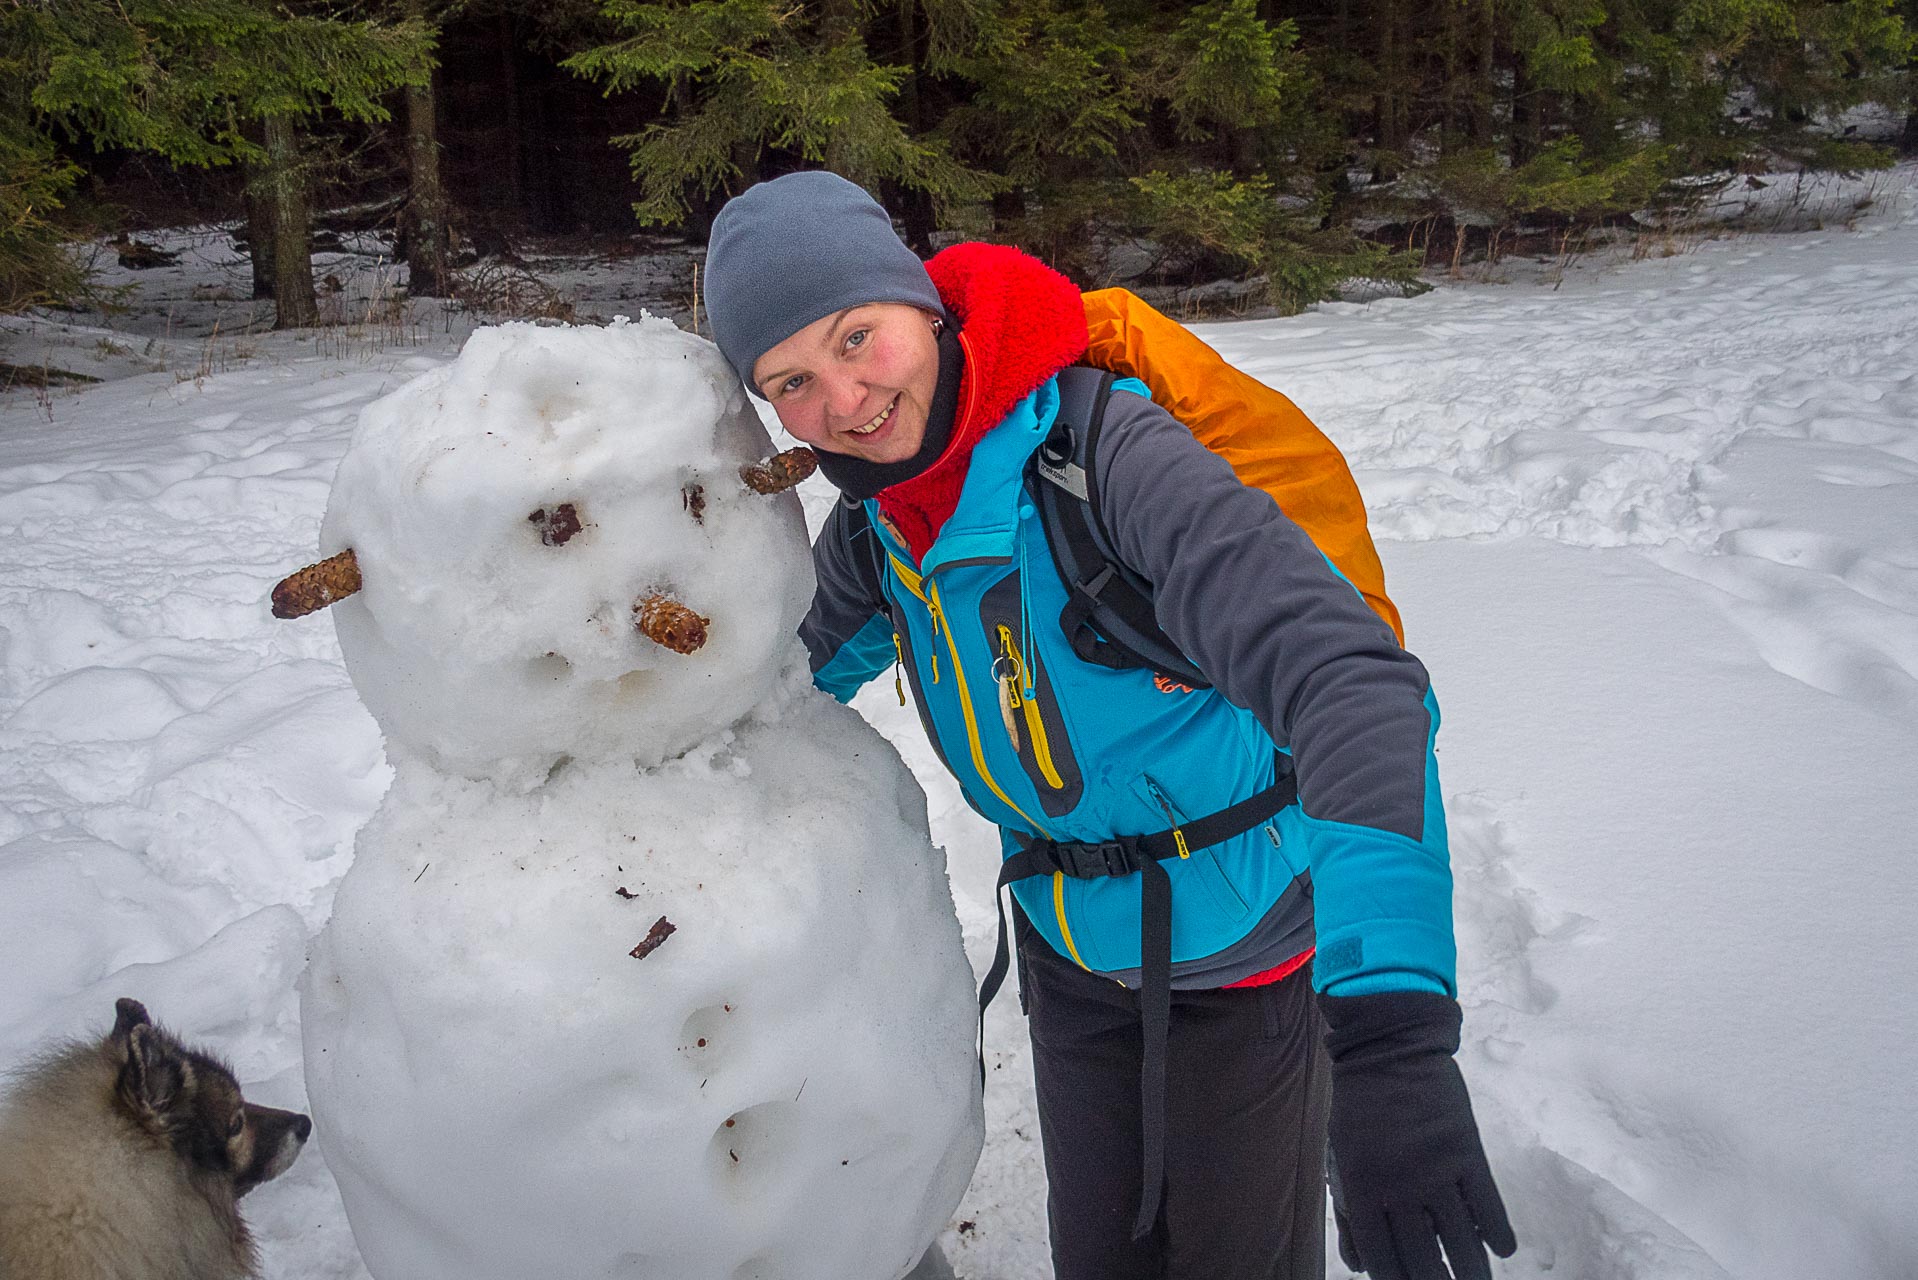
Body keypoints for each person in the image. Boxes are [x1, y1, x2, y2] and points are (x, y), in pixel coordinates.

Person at [702, 170, 1517, 1280]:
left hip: (1245, 957)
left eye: (858, 337)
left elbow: (1353, 683)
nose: (843, 400)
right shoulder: (882, 523)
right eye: (790, 379)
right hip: (1069, 952)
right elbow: (762, 689)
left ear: (921, 305)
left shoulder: (1109, 464)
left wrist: (1392, 1037)